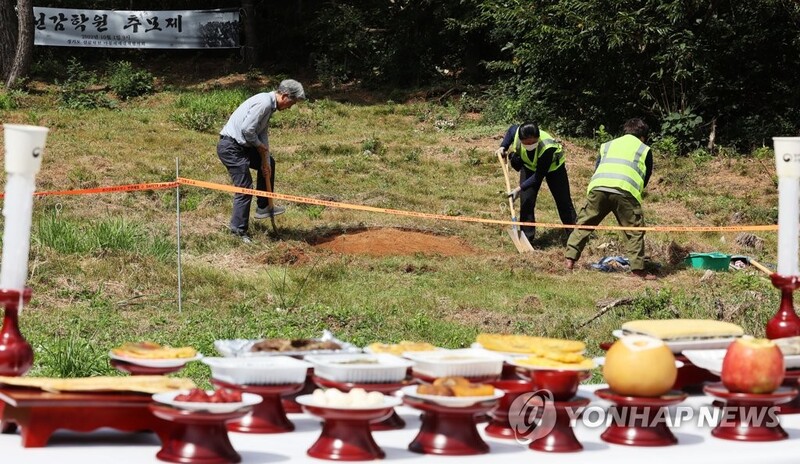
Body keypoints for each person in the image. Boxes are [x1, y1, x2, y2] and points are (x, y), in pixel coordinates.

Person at [564, 118, 656, 280]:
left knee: (584, 224)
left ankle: (569, 261)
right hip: (625, 190)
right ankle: (637, 271)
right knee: (633, 231)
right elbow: (645, 176)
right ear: (643, 136)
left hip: (599, 187)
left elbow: (598, 166)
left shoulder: (608, 145)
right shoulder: (644, 149)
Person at [217, 79, 306, 242]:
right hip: (231, 148)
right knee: (245, 188)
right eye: (291, 103)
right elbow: (247, 130)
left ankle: (263, 207)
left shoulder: (270, 106)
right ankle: (238, 232)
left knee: (270, 163)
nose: (290, 107)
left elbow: (262, 133)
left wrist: (264, 158)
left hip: (243, 147)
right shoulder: (264, 103)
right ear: (285, 96)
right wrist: (259, 146)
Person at [496, 122, 576, 243]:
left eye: (533, 142)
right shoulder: (518, 133)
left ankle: (574, 236)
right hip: (529, 167)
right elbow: (512, 130)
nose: (529, 145)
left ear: (538, 138)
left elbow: (538, 176)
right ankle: (526, 238)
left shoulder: (547, 147)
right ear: (521, 138)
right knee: (527, 201)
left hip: (554, 169)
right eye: (526, 143)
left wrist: (518, 189)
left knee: (563, 201)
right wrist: (504, 146)